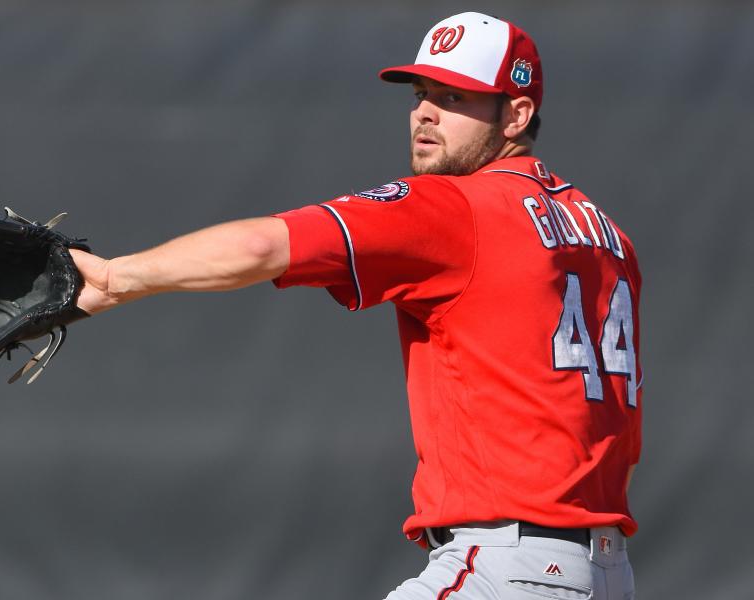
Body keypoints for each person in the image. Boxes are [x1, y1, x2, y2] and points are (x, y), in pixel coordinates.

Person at [69, 11, 642, 600]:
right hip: (602, 571)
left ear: (516, 114)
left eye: (454, 96)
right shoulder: (608, 236)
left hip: (504, 566)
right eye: (422, 94)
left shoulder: (458, 207)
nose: (425, 112)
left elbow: (263, 245)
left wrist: (115, 278)